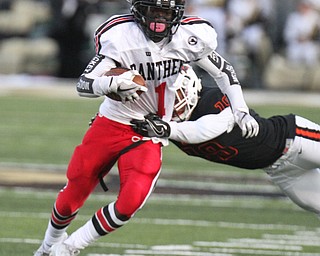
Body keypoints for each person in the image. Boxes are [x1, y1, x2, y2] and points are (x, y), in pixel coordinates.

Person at [34, 0, 259, 255]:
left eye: (166, 12)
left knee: (130, 202)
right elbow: (84, 84)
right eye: (154, 11)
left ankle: (72, 245)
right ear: (139, 10)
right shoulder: (120, 35)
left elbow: (223, 71)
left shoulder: (191, 36)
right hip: (113, 121)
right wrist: (109, 85)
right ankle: (48, 245)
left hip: (150, 129)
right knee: (76, 186)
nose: (160, 20)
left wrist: (240, 110)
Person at [131, 64, 320, 216]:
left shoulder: (213, 98)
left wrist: (168, 129)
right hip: (280, 172)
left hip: (294, 139)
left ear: (191, 85)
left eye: (177, 95)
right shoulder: (167, 125)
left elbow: (205, 129)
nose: (174, 103)